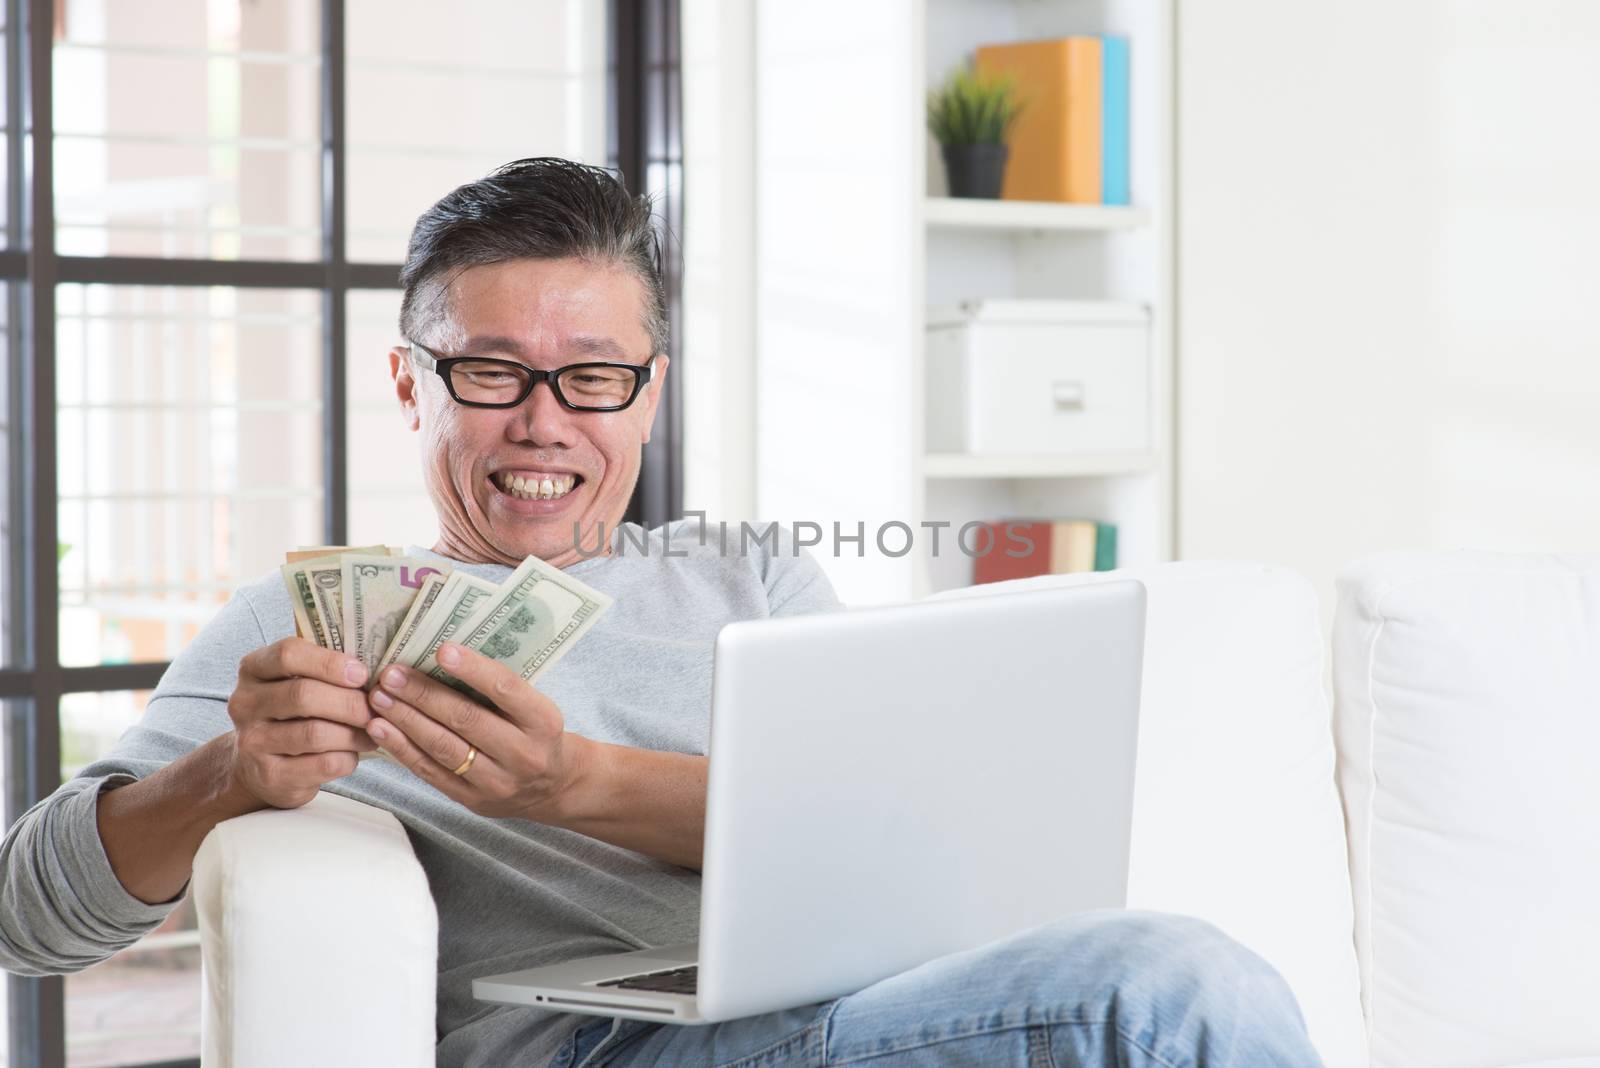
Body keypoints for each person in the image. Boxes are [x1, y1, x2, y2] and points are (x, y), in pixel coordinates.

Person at [0, 158, 1324, 1067]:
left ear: (650, 391)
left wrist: (577, 782)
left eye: (593, 379)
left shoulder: (756, 577)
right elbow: (31, 918)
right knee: (1168, 988)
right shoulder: (310, 635)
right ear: (412, 385)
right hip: (605, 1051)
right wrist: (229, 775)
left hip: (856, 1015)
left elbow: (885, 827)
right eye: (490, 373)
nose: (543, 424)